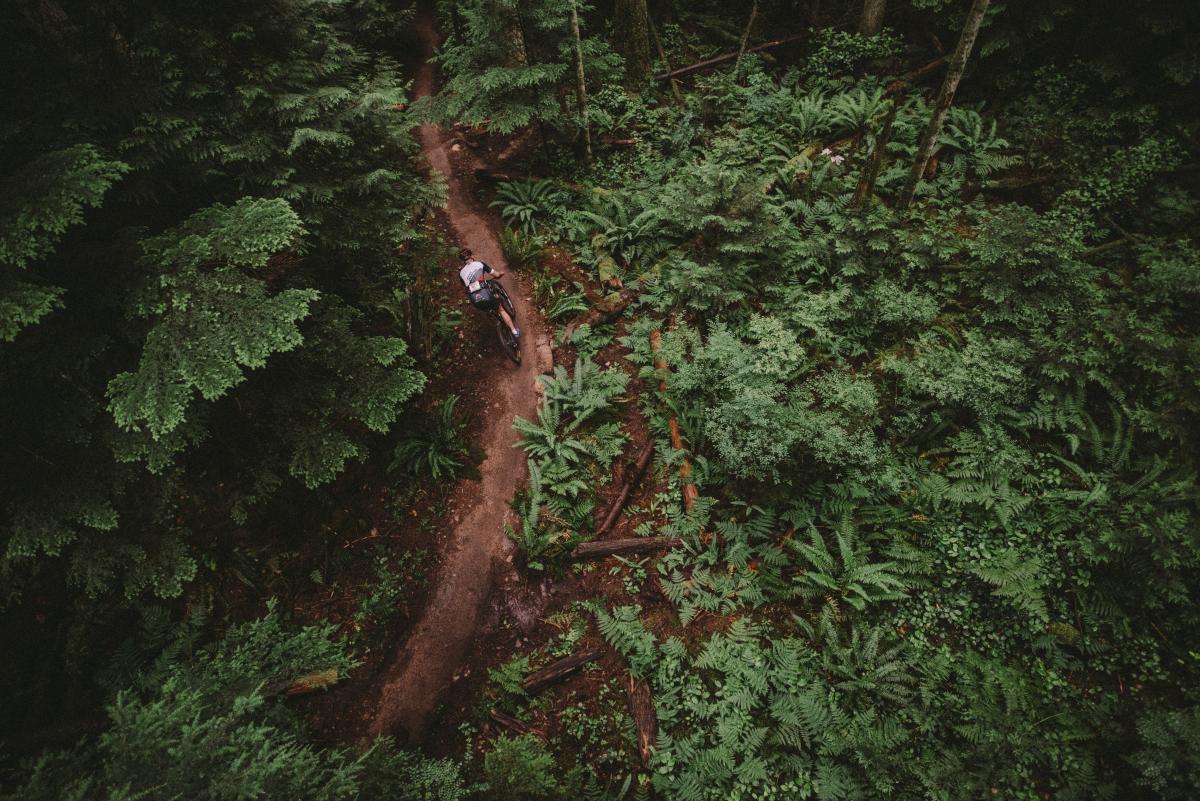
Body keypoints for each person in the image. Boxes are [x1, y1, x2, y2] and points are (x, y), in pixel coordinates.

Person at [459, 248, 519, 337]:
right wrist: (500, 274)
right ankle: (514, 331)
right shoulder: (479, 264)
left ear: (463, 260)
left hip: (475, 300)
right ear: (472, 256)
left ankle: (491, 316)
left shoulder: (461, 273)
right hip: (486, 293)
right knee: (501, 309)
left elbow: (465, 287)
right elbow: (496, 275)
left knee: (486, 307)